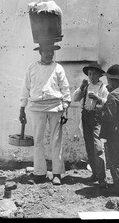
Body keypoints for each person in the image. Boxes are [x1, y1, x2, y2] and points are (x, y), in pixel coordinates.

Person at [19, 43, 71, 185]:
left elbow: (65, 89)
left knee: (56, 141)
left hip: (55, 107)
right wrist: (22, 108)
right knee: (38, 141)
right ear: (40, 52)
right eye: (46, 52)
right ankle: (40, 173)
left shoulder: (58, 68)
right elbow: (25, 88)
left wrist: (65, 108)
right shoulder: (32, 68)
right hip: (36, 107)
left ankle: (57, 173)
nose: (49, 54)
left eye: (51, 52)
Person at [73, 62, 109, 188]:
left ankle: (102, 178)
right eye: (89, 74)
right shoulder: (86, 86)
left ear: (99, 75)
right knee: (89, 147)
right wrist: (82, 87)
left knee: (98, 148)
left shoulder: (103, 88)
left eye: (94, 74)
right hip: (86, 118)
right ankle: (94, 173)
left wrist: (98, 99)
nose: (91, 76)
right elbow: (75, 98)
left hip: (97, 119)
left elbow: (107, 103)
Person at [99, 64, 119, 197]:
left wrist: (101, 109)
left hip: (114, 132)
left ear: (112, 80)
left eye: (108, 79)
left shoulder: (113, 95)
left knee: (115, 159)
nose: (107, 81)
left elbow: (109, 116)